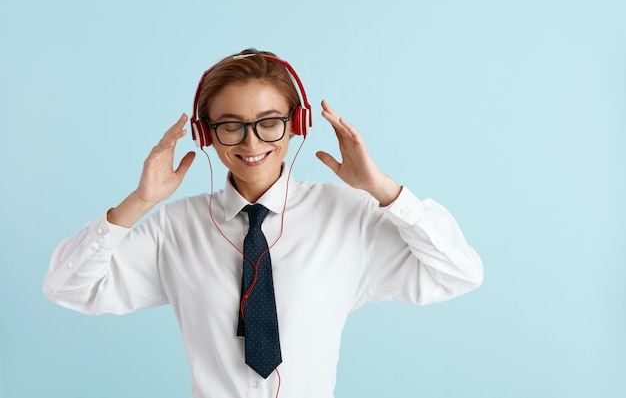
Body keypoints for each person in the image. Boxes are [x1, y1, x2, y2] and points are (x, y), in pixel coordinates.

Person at [43, 48, 483, 398]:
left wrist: (385, 190)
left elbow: (459, 273)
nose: (251, 141)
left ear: (296, 125)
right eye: (230, 126)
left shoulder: (348, 215)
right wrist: (139, 202)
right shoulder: (176, 227)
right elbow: (67, 287)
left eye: (269, 123)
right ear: (206, 133)